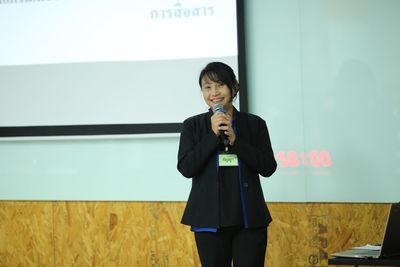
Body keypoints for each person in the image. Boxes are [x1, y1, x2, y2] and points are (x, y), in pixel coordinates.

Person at [177, 62, 277, 267]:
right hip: (209, 220)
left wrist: (236, 142)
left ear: (234, 87)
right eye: (207, 87)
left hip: (248, 220)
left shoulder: (254, 124)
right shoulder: (193, 125)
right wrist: (212, 135)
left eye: (220, 85)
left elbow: (268, 167)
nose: (214, 92)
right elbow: (186, 168)